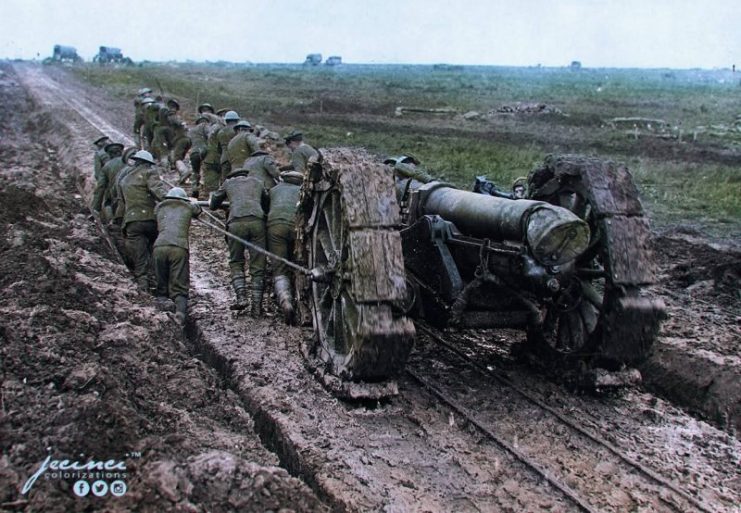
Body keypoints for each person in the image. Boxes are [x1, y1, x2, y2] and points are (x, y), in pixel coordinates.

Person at [209, 166, 268, 316]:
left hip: (236, 224)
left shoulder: (229, 183)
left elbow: (213, 203)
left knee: (236, 261)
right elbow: (266, 203)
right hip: (257, 223)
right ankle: (257, 307)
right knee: (258, 263)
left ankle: (241, 297)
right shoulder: (257, 181)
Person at [117, 150, 170, 291]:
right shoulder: (149, 173)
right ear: (147, 163)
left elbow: (121, 202)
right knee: (156, 252)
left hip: (131, 222)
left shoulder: (125, 179)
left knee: (140, 257)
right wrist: (174, 200)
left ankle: (143, 287)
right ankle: (161, 287)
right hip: (149, 220)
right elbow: (159, 193)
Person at [153, 187, 201, 324]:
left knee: (161, 282)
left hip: (159, 247)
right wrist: (193, 202)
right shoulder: (187, 207)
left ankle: (161, 313)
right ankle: (180, 314)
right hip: (179, 248)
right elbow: (198, 210)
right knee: (180, 285)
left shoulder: (159, 207)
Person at [267, 171, 302, 324]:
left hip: (275, 227)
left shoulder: (274, 190)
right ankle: (301, 298)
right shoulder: (302, 191)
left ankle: (286, 301)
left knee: (279, 267)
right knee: (297, 264)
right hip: (296, 229)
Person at [203, 110, 239, 191]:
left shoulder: (219, 130)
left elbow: (217, 146)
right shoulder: (236, 131)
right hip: (232, 158)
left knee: (222, 181)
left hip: (220, 158)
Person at [91, 142, 125, 218]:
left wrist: (95, 208)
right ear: (121, 152)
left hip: (116, 195)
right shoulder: (130, 162)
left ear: (109, 154)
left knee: (108, 202)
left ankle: (111, 222)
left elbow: (101, 187)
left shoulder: (106, 167)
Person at [187, 116, 210, 198]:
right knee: (207, 170)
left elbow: (188, 142)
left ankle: (194, 189)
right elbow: (210, 135)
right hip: (204, 151)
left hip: (194, 152)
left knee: (195, 172)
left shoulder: (191, 130)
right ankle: (206, 191)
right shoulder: (205, 126)